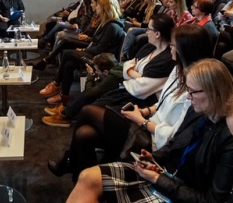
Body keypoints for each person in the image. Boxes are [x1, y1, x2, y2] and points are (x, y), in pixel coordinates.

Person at [40, 59, 233, 203]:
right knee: (86, 177)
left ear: (214, 92)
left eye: (193, 92)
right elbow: (174, 145)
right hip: (167, 179)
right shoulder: (197, 112)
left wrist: (158, 179)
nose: (188, 97)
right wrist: (155, 158)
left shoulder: (231, 139)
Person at [48, 23, 212, 178]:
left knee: (87, 110)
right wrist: (145, 111)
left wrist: (142, 121)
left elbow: (174, 137)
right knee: (84, 134)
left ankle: (70, 161)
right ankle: (82, 176)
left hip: (155, 140)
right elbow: (161, 101)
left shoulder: (196, 89)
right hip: (147, 121)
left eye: (174, 45)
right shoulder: (178, 70)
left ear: (185, 50)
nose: (170, 47)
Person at [42, 12, 175, 127]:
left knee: (91, 101)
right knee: (70, 62)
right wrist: (136, 74)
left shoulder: (167, 59)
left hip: (138, 98)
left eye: (149, 29)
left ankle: (64, 107)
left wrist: (130, 73)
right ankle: (65, 107)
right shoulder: (149, 47)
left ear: (157, 34)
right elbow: (128, 64)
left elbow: (139, 89)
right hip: (124, 84)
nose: (146, 32)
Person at [39, 0, 126, 107]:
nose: (96, 7)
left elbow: (99, 49)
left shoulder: (112, 26)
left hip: (102, 60)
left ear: (104, 8)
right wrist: (86, 48)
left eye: (98, 5)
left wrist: (84, 49)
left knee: (66, 53)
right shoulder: (107, 23)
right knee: (69, 63)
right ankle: (64, 98)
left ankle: (57, 84)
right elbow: (96, 42)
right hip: (97, 54)